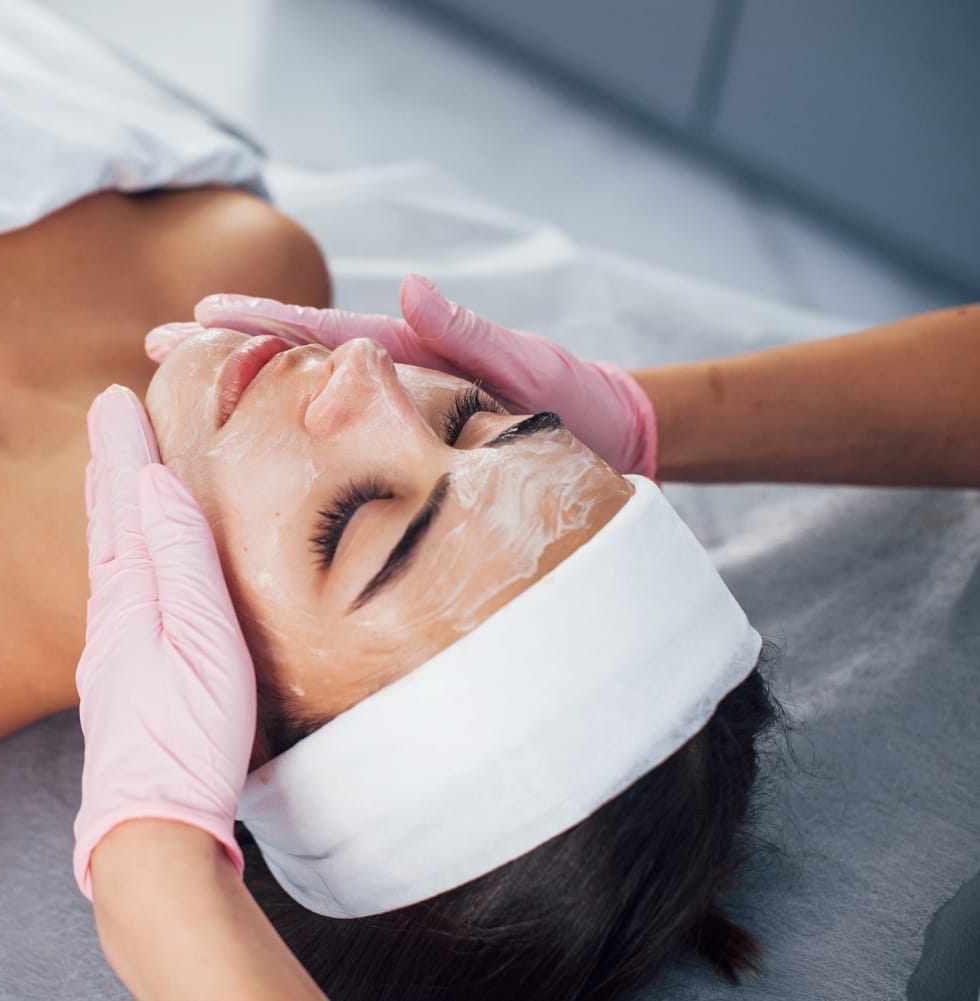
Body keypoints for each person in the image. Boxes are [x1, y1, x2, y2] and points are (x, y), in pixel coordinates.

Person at [72, 278, 978, 1000]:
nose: (365, 370)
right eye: (475, 418)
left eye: (350, 522)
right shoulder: (256, 243)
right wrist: (642, 416)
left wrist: (154, 869)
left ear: (241, 752)